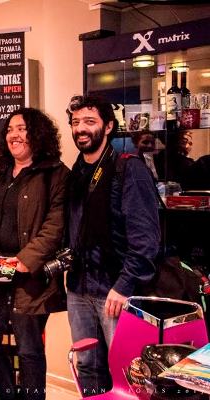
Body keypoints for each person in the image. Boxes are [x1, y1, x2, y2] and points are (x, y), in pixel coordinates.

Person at [0, 108, 69, 400]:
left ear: (38, 134)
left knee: (30, 351)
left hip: (29, 279)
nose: (14, 135)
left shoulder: (56, 173)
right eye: (9, 129)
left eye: (22, 129)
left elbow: (55, 226)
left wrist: (25, 259)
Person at [65, 95, 160, 396]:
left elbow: (146, 240)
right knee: (88, 368)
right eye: (76, 122)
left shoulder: (128, 168)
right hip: (78, 289)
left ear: (107, 127)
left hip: (116, 291)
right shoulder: (77, 171)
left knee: (128, 373)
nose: (81, 128)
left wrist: (124, 285)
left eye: (89, 121)